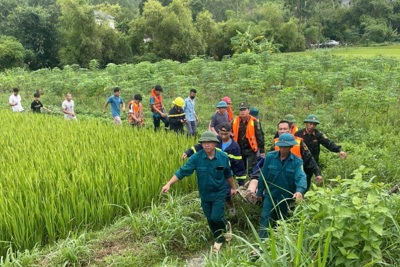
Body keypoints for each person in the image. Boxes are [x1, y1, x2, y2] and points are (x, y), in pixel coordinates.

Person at [161, 131, 237, 252]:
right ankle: (218, 235)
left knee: (216, 217)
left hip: (219, 192)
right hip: (205, 193)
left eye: (209, 143)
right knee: (209, 218)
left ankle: (221, 238)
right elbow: (183, 171)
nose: (206, 145)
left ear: (215, 143)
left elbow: (228, 174)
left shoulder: (223, 157)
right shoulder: (196, 158)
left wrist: (233, 187)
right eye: (204, 143)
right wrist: (169, 183)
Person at [243, 121, 322, 201]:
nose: (282, 131)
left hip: (292, 173)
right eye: (280, 129)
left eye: (285, 129)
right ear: (278, 130)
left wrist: (317, 173)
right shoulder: (276, 142)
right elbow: (268, 161)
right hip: (277, 175)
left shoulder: (298, 142)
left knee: (293, 198)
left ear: (290, 129)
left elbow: (309, 159)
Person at [182, 122, 247, 214]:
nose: (223, 136)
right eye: (221, 134)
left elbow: (238, 164)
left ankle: (230, 204)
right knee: (214, 190)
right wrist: (188, 152)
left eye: (226, 134)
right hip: (213, 170)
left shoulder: (235, 147)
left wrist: (241, 183)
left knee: (227, 192)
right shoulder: (215, 140)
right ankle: (216, 207)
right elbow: (201, 146)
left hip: (225, 172)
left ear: (231, 132)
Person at [256, 133, 307, 239]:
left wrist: (299, 191)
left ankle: (278, 245)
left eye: (286, 147)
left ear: (291, 147)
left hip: (286, 198)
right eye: (282, 146)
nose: (283, 149)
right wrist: (260, 192)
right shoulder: (270, 156)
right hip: (270, 195)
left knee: (282, 221)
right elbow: (263, 175)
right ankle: (261, 246)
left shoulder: (297, 161)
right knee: (265, 218)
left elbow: (301, 177)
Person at [295, 114, 347, 186]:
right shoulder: (298, 134)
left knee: (307, 181)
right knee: (298, 180)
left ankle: (303, 195)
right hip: (300, 161)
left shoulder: (318, 134)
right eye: (310, 124)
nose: (312, 126)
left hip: (312, 163)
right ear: (306, 123)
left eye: (314, 124)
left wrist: (339, 150)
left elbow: (328, 143)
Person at [232, 102, 265, 178]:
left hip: (251, 148)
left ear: (248, 111)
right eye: (241, 110)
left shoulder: (254, 121)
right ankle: (241, 183)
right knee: (240, 167)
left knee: (251, 168)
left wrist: (262, 150)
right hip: (239, 148)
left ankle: (251, 182)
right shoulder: (235, 121)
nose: (242, 112)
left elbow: (259, 136)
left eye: (244, 109)